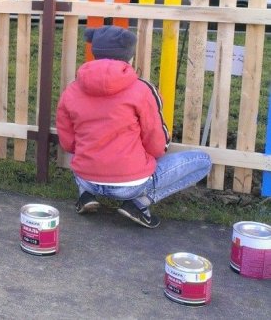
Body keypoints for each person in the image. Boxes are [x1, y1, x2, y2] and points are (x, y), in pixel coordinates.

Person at [56, 26, 212, 229]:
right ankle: (139, 204)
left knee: (85, 157)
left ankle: (85, 195)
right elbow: (156, 145)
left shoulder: (72, 89)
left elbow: (68, 143)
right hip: (130, 184)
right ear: (129, 57)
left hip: (85, 178)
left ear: (94, 53)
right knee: (203, 161)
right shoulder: (142, 89)